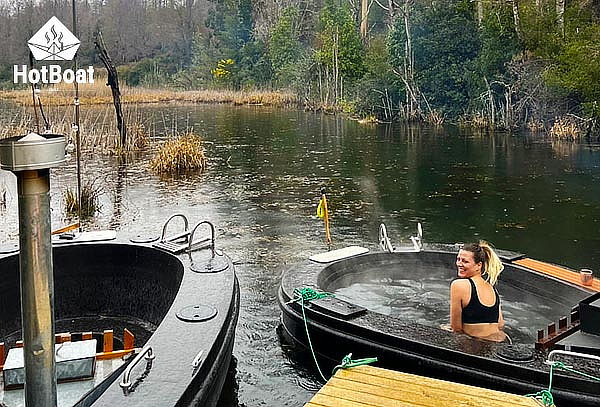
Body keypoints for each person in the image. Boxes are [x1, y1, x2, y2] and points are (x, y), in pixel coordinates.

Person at [450, 241, 506, 342]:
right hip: (500, 343)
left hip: (476, 346)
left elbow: (456, 328)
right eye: (458, 259)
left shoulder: (458, 285)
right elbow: (500, 324)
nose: (459, 264)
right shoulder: (492, 288)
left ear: (479, 265)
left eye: (465, 261)